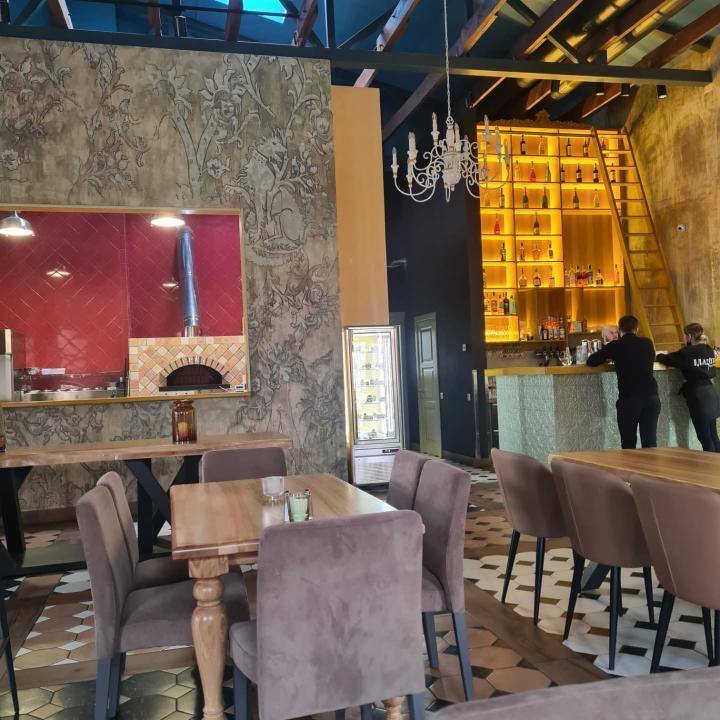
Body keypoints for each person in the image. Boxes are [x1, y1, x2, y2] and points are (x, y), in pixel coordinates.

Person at [587, 315, 660, 449]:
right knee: (650, 444)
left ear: (620, 330)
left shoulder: (616, 346)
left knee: (628, 444)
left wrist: (610, 354)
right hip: (651, 398)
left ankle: (630, 464)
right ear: (636, 329)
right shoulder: (647, 343)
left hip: (629, 400)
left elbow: (591, 361)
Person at [656, 323, 720, 452]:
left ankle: (711, 464)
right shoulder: (708, 349)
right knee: (713, 435)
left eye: (684, 336)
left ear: (689, 336)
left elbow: (667, 359)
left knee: (704, 437)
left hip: (697, 395)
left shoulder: (687, 352)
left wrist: (658, 356)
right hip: (710, 392)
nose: (683, 338)